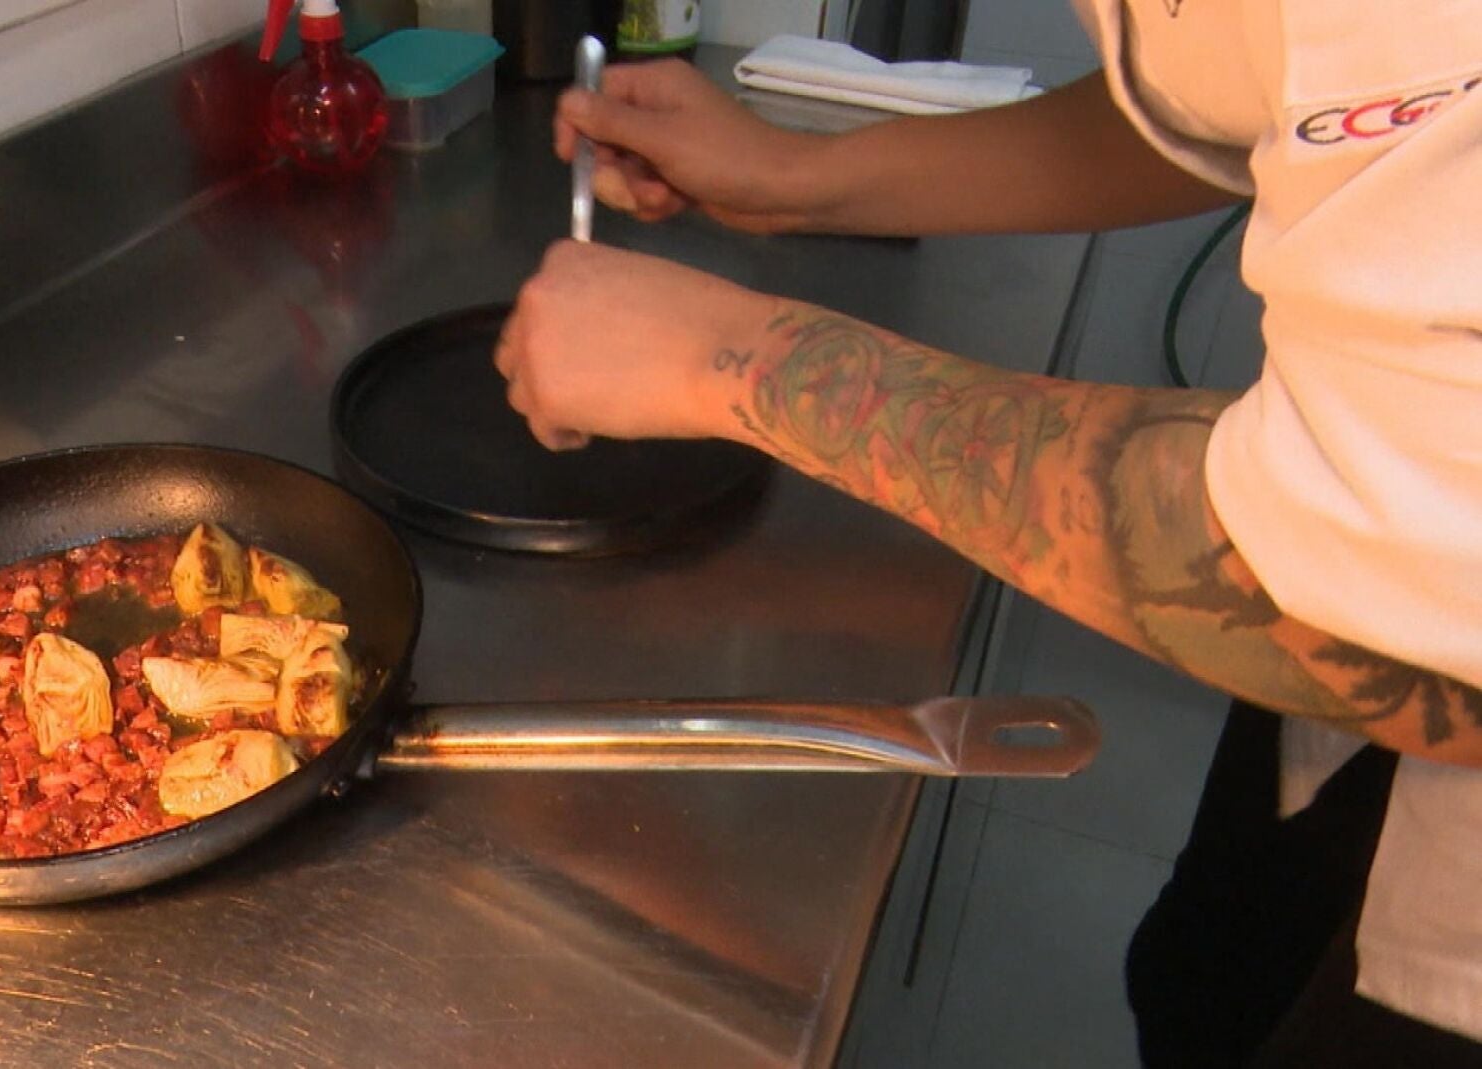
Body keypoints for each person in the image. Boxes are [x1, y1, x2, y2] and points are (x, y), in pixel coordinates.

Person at [492, 2, 1482, 1065]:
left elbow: (1401, 611)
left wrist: (737, 359)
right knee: (1208, 974)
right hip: (1360, 732)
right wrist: (797, 175)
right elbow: (1255, 95)